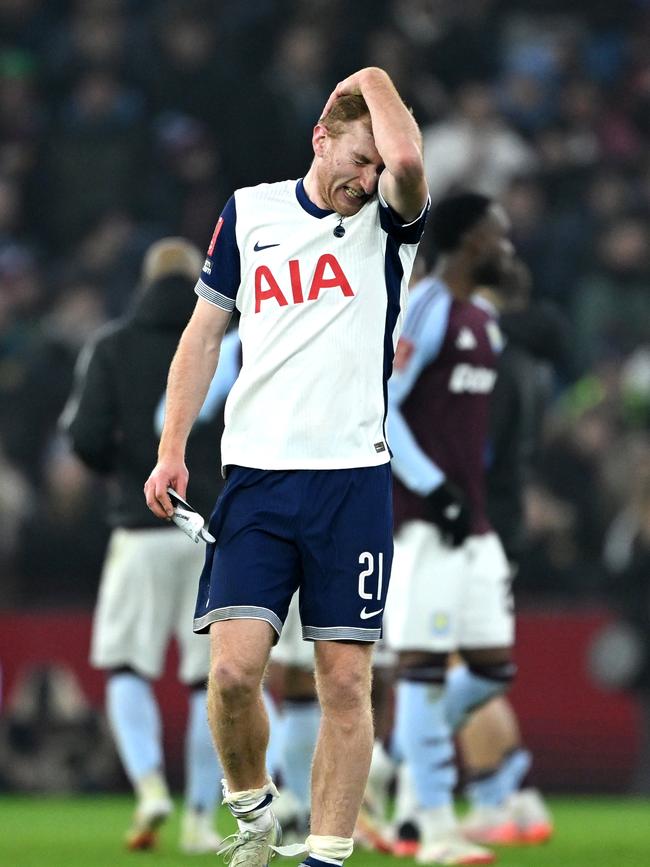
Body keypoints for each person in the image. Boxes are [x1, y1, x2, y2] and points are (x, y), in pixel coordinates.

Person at [144, 66, 430, 867]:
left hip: (353, 480)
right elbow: (202, 337)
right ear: (321, 138)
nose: (367, 179)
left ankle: (324, 856)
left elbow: (409, 167)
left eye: (376, 168)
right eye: (356, 160)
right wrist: (171, 449)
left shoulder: (388, 224)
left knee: (344, 683)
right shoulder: (250, 212)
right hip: (258, 481)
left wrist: (373, 77)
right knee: (233, 673)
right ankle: (255, 812)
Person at [62, 238, 227, 853]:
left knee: (126, 666)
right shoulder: (226, 339)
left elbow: (82, 436)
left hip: (138, 525)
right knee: (208, 678)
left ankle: (152, 785)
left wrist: (125, 467)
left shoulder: (111, 345)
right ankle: (201, 819)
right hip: (210, 530)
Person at [384, 192, 515, 865]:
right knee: (424, 668)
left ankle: (395, 760)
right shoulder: (429, 305)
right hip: (426, 523)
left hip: (474, 519)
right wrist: (433, 489)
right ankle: (430, 822)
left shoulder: (482, 321)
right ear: (469, 240)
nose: (507, 245)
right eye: (498, 234)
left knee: (493, 666)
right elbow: (385, 405)